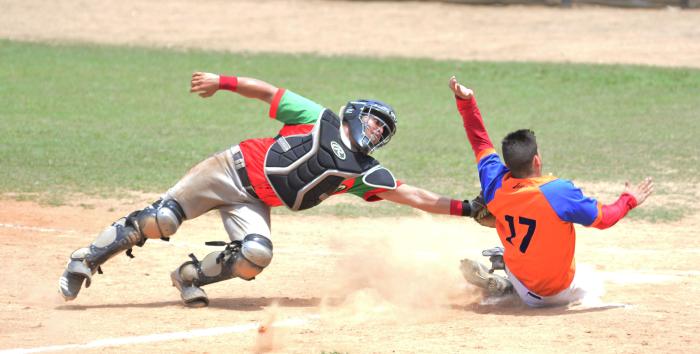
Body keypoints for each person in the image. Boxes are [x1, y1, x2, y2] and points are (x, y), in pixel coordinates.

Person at [58, 72, 484, 307]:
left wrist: (468, 207)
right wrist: (220, 81)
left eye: (382, 130)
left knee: (256, 255)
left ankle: (188, 277)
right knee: (162, 219)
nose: (374, 131)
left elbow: (416, 196)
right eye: (373, 121)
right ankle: (84, 260)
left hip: (255, 199)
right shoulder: (320, 118)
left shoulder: (364, 173)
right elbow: (266, 90)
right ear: (355, 113)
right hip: (227, 169)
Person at [448, 76, 654, 308]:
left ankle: (507, 282)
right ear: (536, 160)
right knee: (593, 284)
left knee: (513, 236)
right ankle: (507, 286)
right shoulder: (558, 192)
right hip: (560, 292)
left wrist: (465, 101)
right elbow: (605, 219)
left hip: (523, 279)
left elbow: (480, 141)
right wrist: (629, 199)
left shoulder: (494, 182)